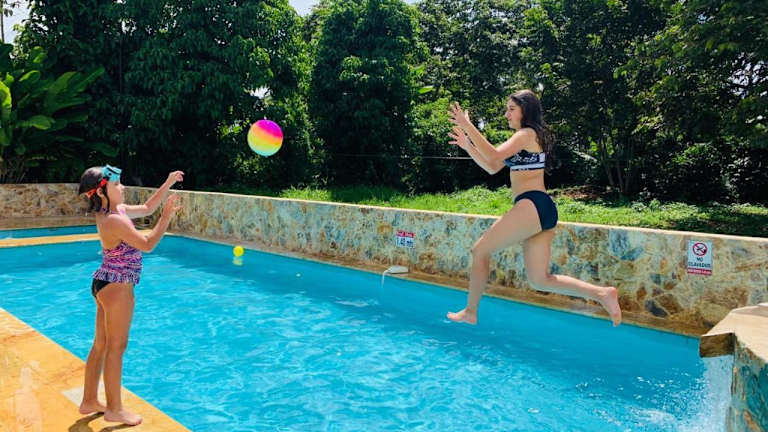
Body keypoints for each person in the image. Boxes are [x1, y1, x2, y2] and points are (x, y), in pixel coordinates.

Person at [445, 90, 622, 327]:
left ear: (525, 111)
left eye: (511, 109)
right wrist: (468, 146)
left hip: (532, 204)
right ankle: (602, 293)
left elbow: (493, 155)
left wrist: (467, 125)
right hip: (541, 208)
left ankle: (470, 311)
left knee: (480, 251)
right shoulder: (524, 138)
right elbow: (492, 166)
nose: (506, 114)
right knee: (539, 280)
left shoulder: (526, 134)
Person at [76, 165, 183, 425]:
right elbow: (147, 244)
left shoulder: (114, 212)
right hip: (118, 286)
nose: (122, 187)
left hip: (103, 282)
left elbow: (146, 207)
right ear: (101, 193)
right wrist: (166, 216)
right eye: (116, 185)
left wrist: (168, 182)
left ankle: (89, 400)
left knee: (101, 345)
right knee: (116, 348)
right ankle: (115, 409)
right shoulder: (115, 220)